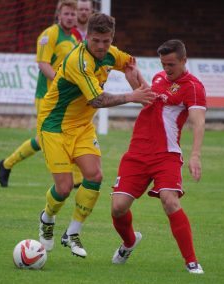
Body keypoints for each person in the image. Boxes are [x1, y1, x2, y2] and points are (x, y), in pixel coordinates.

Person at [37, 12, 155, 258]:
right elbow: (97, 100)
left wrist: (145, 91)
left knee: (94, 175)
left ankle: (72, 232)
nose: (101, 47)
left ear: (111, 38)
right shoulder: (78, 61)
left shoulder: (112, 53)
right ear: (87, 37)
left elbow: (130, 65)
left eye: (106, 41)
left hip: (82, 127)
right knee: (65, 187)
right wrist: (132, 97)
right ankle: (47, 218)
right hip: (54, 125)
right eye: (96, 41)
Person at [111, 39, 206, 274]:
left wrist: (195, 154)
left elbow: (198, 121)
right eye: (163, 64)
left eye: (171, 64)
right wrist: (133, 76)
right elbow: (147, 96)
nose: (167, 69)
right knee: (118, 208)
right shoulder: (158, 78)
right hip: (137, 152)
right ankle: (130, 242)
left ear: (184, 60)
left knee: (170, 201)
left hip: (167, 155)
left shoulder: (193, 86)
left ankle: (191, 262)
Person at [0, 0, 83, 188]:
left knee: (55, 136)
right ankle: (76, 178)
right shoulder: (49, 34)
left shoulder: (73, 40)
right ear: (58, 15)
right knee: (49, 139)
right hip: (46, 96)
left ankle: (6, 164)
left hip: (63, 98)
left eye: (72, 14)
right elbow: (43, 64)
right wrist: (61, 84)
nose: (70, 17)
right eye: (66, 14)